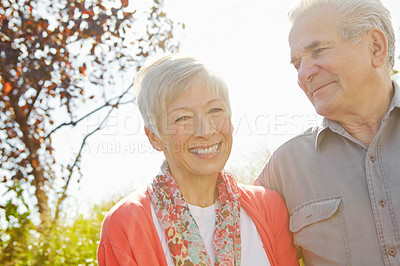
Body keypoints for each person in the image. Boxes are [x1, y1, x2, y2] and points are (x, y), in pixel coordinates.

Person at [97, 54, 298, 265]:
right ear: (155, 137)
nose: (206, 130)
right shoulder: (126, 223)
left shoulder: (269, 208)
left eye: (215, 110)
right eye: (183, 118)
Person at [255, 0, 400, 265]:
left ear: (375, 47)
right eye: (297, 64)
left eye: (319, 51)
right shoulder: (285, 168)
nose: (304, 74)